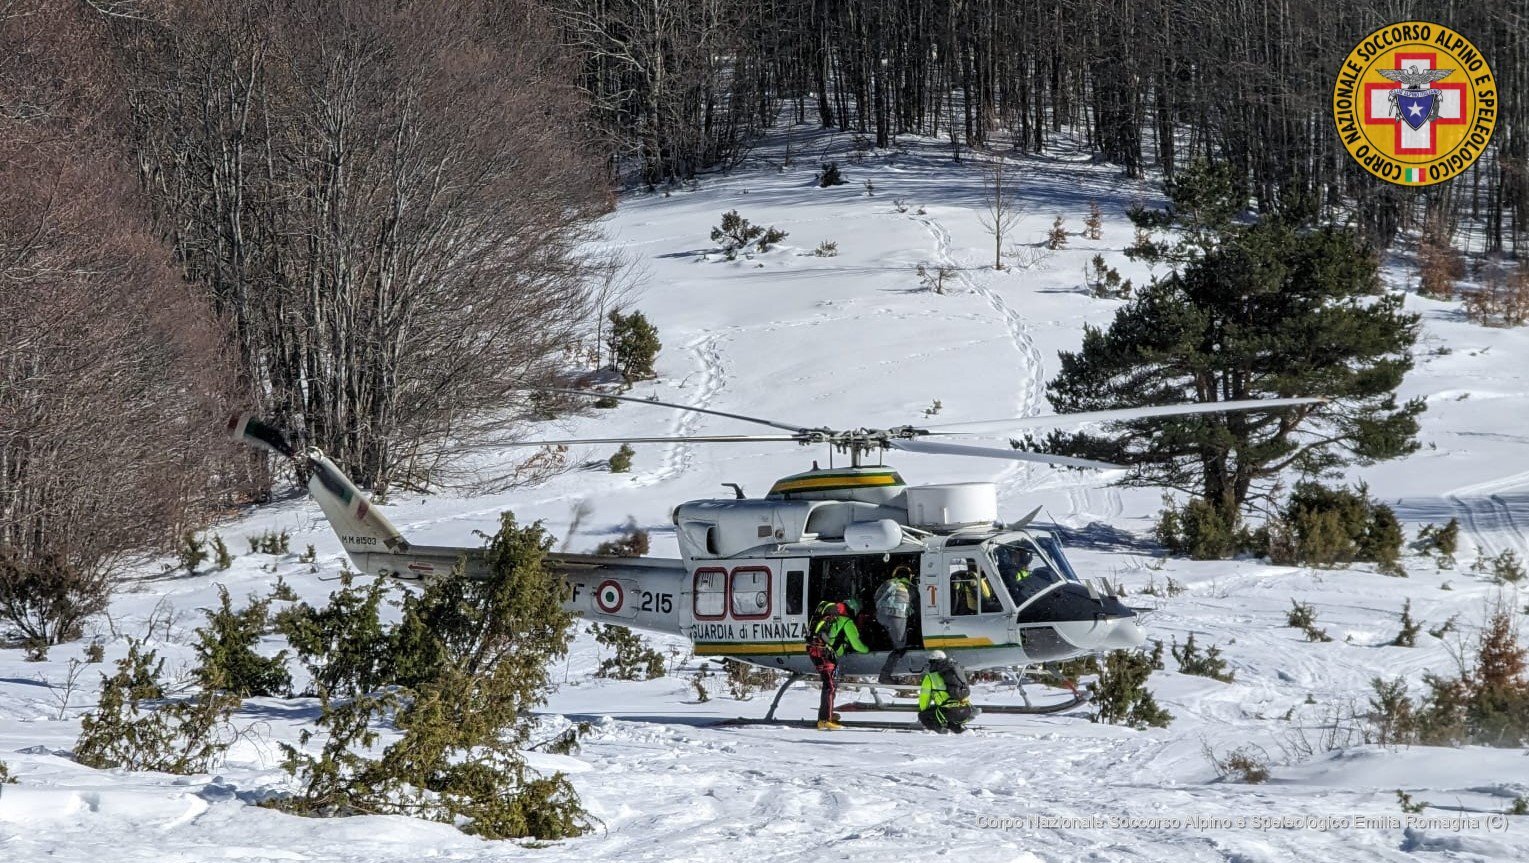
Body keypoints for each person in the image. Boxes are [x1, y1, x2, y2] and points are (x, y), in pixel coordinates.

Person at [805, 598, 869, 730]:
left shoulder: (830, 619)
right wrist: (868, 650)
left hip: (817, 651)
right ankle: (824, 720)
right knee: (829, 686)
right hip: (825, 654)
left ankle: (826, 714)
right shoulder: (846, 621)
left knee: (829, 685)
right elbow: (857, 645)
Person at [918, 650, 976, 733]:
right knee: (948, 715)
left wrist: (924, 710)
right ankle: (960, 731)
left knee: (923, 715)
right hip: (966, 710)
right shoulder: (956, 672)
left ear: (933, 662)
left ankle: (940, 731)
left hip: (949, 712)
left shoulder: (930, 677)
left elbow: (924, 698)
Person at [874, 567, 915, 683]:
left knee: (887, 633)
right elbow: (917, 605)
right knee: (900, 648)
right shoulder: (911, 588)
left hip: (881, 615)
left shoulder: (888, 583)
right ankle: (885, 675)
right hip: (897, 616)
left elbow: (876, 597)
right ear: (909, 576)